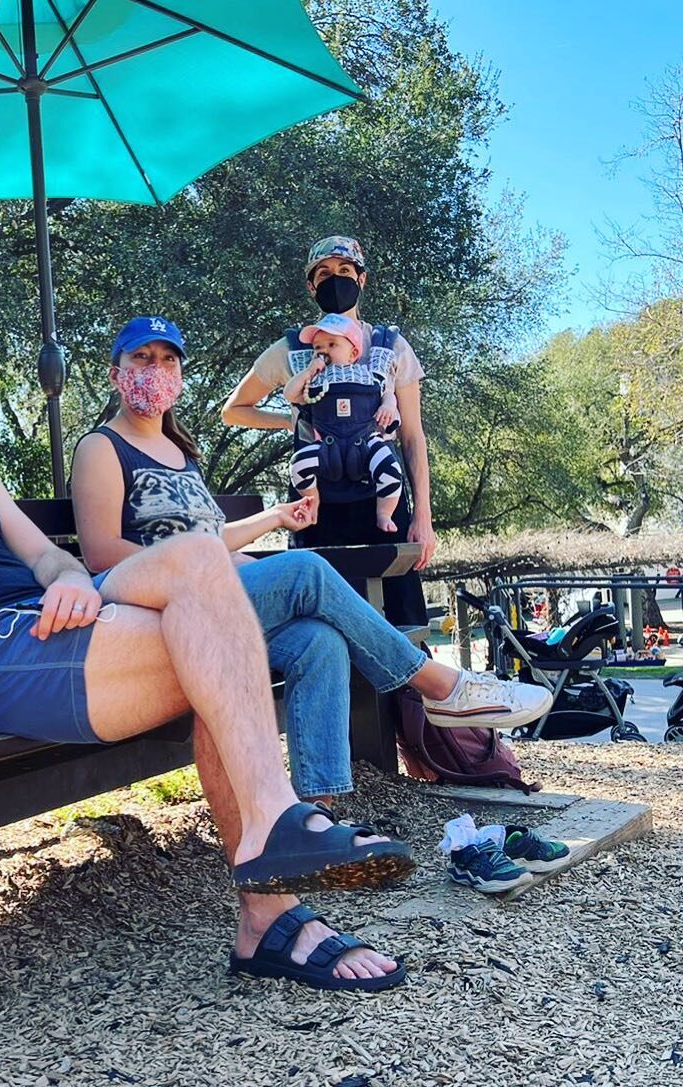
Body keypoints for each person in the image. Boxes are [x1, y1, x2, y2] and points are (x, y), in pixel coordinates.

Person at [0, 288, 419, 994]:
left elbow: (47, 557)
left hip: (54, 625)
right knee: (209, 607)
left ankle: (267, 903)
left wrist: (67, 576)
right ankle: (277, 853)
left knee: (203, 587)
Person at [70, 315, 552, 988]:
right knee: (305, 573)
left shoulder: (182, 452)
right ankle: (435, 686)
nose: (154, 370)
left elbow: (213, 540)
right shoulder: (102, 446)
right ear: (117, 369)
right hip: (146, 610)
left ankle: (310, 821)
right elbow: (100, 554)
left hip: (214, 608)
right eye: (139, 357)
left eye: (165, 358)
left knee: (319, 640)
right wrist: (198, 563)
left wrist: (273, 519)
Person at [221, 235, 433, 627]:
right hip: (314, 505)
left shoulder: (391, 345)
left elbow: (412, 437)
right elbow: (234, 410)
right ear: (311, 285)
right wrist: (289, 420)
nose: (335, 279)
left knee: (403, 619)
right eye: (324, 274)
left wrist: (423, 516)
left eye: (344, 271)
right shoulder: (292, 350)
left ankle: (409, 691)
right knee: (320, 619)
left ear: (362, 279)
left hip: (381, 501)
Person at [283, 313, 403, 533]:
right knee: (298, 465)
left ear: (353, 353)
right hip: (328, 445)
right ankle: (313, 501)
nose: (323, 351)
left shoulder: (368, 374)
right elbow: (289, 394)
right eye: (318, 347)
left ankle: (384, 513)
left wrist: (389, 406)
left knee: (390, 470)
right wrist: (309, 371)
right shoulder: (313, 382)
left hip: (366, 441)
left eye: (332, 344)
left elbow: (387, 393)